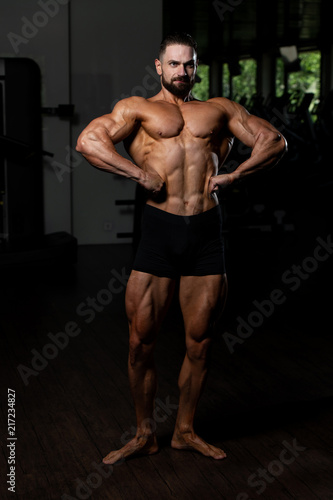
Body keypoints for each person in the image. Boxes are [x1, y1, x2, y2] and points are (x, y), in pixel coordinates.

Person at [76, 32, 287, 464]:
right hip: (159, 232)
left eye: (188, 64)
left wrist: (237, 175)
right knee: (140, 343)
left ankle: (185, 430)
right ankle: (144, 433)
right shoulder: (137, 109)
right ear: (159, 67)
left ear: (196, 66)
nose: (181, 72)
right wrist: (137, 174)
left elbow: (275, 141)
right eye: (173, 64)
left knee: (201, 342)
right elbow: (88, 141)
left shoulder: (219, 109)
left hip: (207, 233)